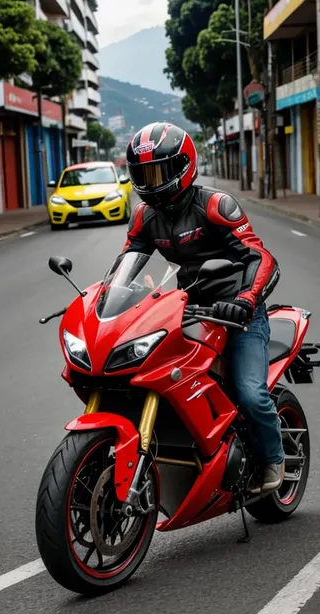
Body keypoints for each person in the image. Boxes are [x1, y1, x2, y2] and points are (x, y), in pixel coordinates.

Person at [122, 122, 285, 492]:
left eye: (159, 171)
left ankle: (274, 459)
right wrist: (114, 299)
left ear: (184, 166)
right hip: (187, 312)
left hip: (237, 313)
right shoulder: (143, 217)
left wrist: (245, 300)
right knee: (160, 379)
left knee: (250, 393)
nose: (151, 181)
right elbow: (126, 267)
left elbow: (261, 257)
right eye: (143, 173)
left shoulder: (215, 205)